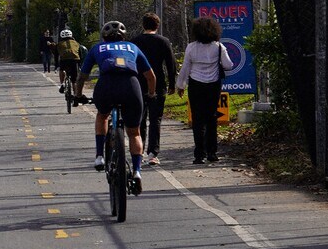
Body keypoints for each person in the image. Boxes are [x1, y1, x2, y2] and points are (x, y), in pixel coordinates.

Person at [75, 19, 157, 193]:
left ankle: (99, 156)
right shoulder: (132, 47)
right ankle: (136, 171)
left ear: (104, 37)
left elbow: (82, 76)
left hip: (107, 85)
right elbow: (151, 76)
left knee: (102, 115)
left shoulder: (97, 48)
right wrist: (150, 94)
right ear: (123, 36)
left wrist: (78, 94)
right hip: (131, 86)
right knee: (134, 132)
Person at [181, 14, 235, 163]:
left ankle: (199, 154)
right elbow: (228, 65)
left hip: (196, 84)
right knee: (211, 118)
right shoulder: (218, 47)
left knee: (197, 120)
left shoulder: (191, 47)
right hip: (213, 85)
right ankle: (212, 152)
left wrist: (180, 85)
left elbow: (185, 68)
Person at [134, 13, 177, 164]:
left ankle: (138, 150)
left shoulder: (135, 42)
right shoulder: (163, 41)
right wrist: (172, 84)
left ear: (143, 25)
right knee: (155, 119)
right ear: (157, 26)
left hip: (138, 83)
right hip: (158, 84)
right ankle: (153, 153)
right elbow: (170, 64)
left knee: (140, 118)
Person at [54, 27, 82, 94]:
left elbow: (56, 55)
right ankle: (76, 96)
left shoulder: (59, 44)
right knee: (74, 81)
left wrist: (56, 65)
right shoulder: (76, 43)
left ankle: (62, 84)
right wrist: (80, 64)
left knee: (62, 70)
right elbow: (80, 53)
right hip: (75, 60)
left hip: (64, 60)